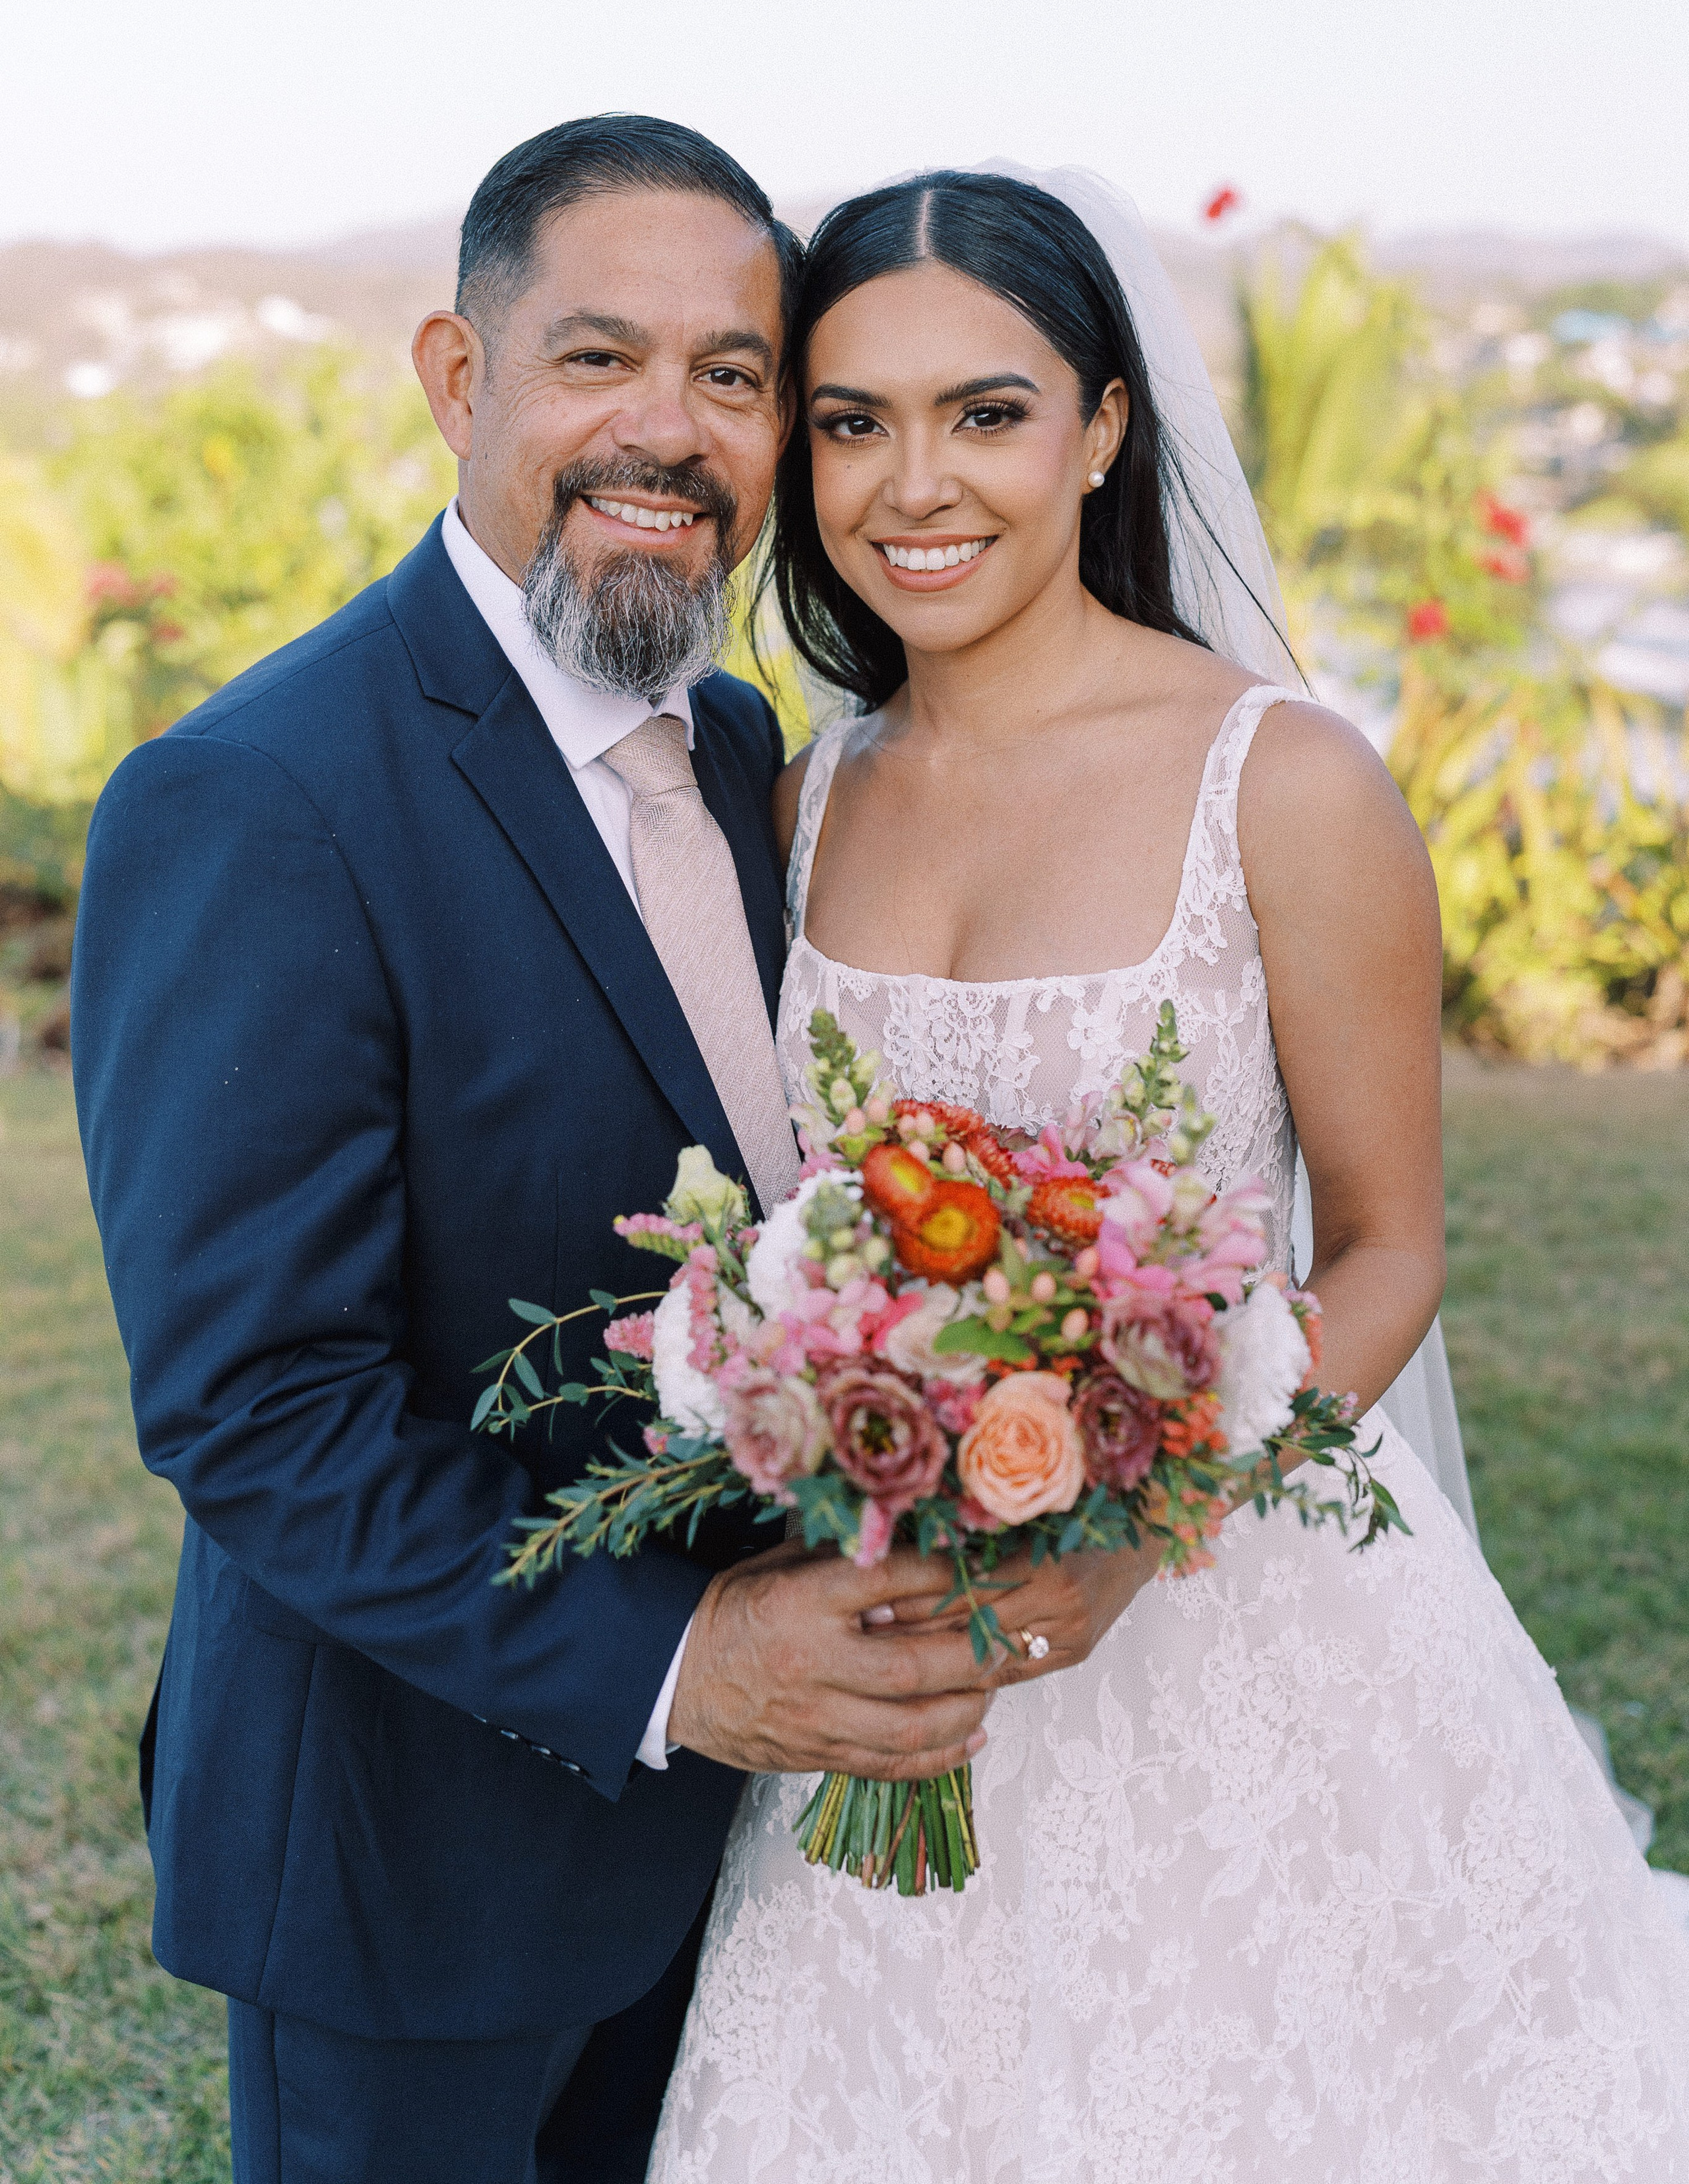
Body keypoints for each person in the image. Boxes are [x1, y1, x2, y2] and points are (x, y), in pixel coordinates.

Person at [649, 168, 1689, 2179]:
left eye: (988, 411)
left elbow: (1386, 1253)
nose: (909, 486)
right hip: (894, 1646)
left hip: (1243, 1620)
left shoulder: (1282, 781)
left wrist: (1146, 1519)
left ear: (1105, 424)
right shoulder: (809, 793)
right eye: (852, 421)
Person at [70, 115, 1000, 2184]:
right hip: (421, 1869)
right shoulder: (258, 799)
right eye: (598, 359)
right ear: (456, 377)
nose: (665, 430)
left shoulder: (742, 745)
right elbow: (254, 1411)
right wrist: (684, 1664)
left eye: (734, 377)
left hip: (734, 1861)